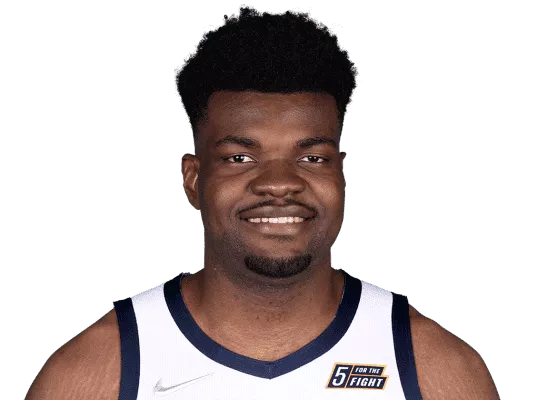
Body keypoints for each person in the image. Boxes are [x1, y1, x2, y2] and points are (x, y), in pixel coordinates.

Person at [26, 6, 500, 400]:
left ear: (341, 175)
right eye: (240, 157)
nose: (279, 183)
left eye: (312, 157)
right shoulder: (97, 372)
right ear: (194, 180)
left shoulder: (433, 368)